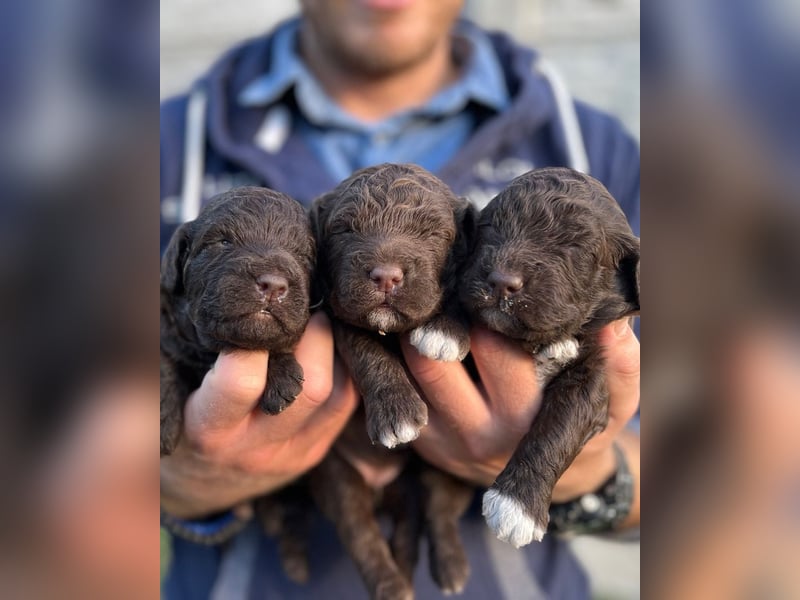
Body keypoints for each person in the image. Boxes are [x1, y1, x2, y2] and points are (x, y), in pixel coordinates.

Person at [160, 1, 640, 597]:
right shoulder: (154, 142)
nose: (386, 267)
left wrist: (584, 474)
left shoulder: (600, 148)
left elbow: (716, 462)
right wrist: (172, 484)